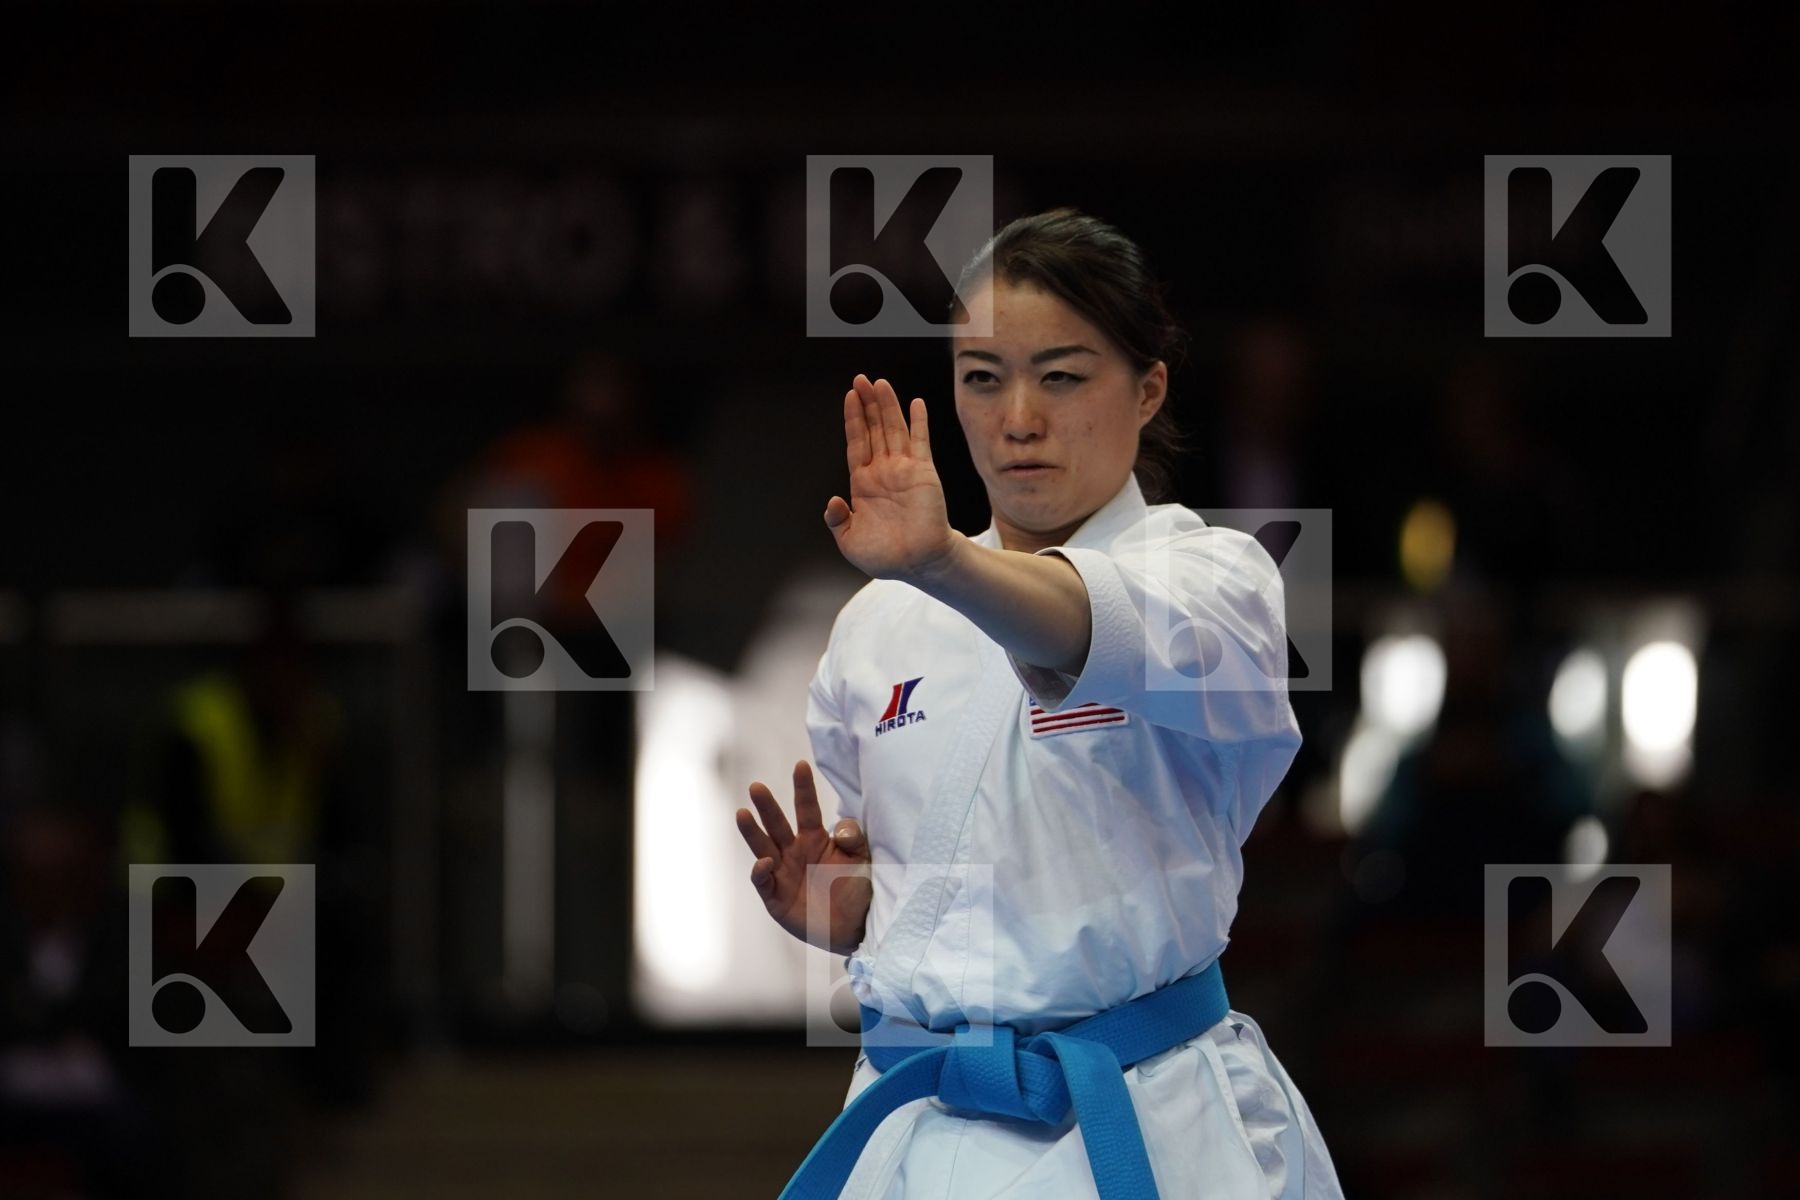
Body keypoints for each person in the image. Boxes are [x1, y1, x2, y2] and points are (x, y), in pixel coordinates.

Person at [735, 208, 1343, 1198]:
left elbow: (1078, 622)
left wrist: (944, 562)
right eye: (984, 378)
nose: (1019, 417)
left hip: (1147, 1125)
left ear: (1148, 388)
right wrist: (849, 913)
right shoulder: (878, 626)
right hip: (916, 1131)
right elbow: (917, 898)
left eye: (1061, 375)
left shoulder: (1218, 583)